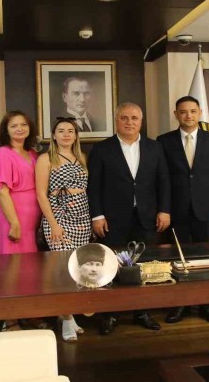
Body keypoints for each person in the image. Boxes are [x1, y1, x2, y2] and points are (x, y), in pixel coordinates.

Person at [88, 102, 170, 335]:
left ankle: (141, 312)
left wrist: (164, 210)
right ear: (116, 120)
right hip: (112, 220)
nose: (129, 122)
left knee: (143, 267)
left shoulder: (155, 147)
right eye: (124, 117)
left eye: (134, 118)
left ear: (141, 122)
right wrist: (97, 216)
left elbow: (164, 181)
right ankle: (111, 314)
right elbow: (94, 186)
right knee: (111, 266)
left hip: (147, 218)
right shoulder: (102, 149)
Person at [157, 95, 209, 325]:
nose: (188, 115)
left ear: (199, 113)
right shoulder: (164, 141)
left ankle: (207, 304)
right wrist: (164, 209)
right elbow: (161, 179)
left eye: (192, 111)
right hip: (176, 211)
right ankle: (180, 304)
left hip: (205, 210)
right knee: (178, 259)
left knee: (206, 258)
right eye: (183, 111)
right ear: (176, 114)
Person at [36, 117, 91, 342]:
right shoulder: (45, 159)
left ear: (76, 135)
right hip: (58, 216)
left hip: (82, 216)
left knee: (78, 269)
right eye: (61, 130)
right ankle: (67, 319)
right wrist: (53, 223)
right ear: (54, 135)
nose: (66, 134)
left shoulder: (82, 157)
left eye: (70, 130)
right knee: (62, 270)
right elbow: (41, 194)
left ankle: (70, 314)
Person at [0, 111, 43, 332]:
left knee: (29, 269)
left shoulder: (32, 153)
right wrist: (15, 223)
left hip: (32, 219)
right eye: (14, 126)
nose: (19, 129)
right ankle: (10, 319)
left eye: (23, 125)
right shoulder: (2, 154)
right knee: (10, 269)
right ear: (6, 130)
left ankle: (28, 314)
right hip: (12, 216)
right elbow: (2, 192)